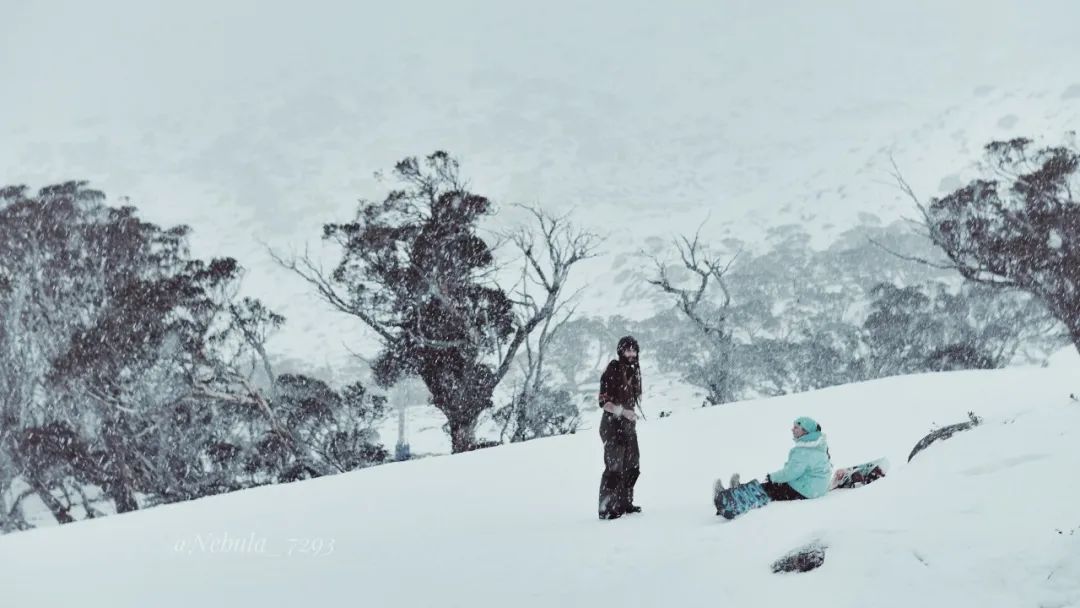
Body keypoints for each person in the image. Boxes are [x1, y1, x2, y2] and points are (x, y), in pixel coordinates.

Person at [719, 416, 832, 502]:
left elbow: (791, 472)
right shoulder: (816, 445)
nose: (792, 429)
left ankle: (732, 499)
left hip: (806, 490)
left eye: (796, 427)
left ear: (805, 431)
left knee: (769, 488)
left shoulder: (805, 451)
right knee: (774, 485)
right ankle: (738, 491)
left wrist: (772, 477)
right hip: (814, 488)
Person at [597, 336, 642, 520]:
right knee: (614, 468)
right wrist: (623, 412)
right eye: (628, 350)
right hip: (612, 425)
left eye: (634, 350)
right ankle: (607, 508)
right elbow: (604, 402)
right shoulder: (613, 369)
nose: (631, 354)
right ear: (620, 351)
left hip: (628, 426)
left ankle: (625, 503)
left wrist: (630, 416)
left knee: (632, 465)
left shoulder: (634, 371)